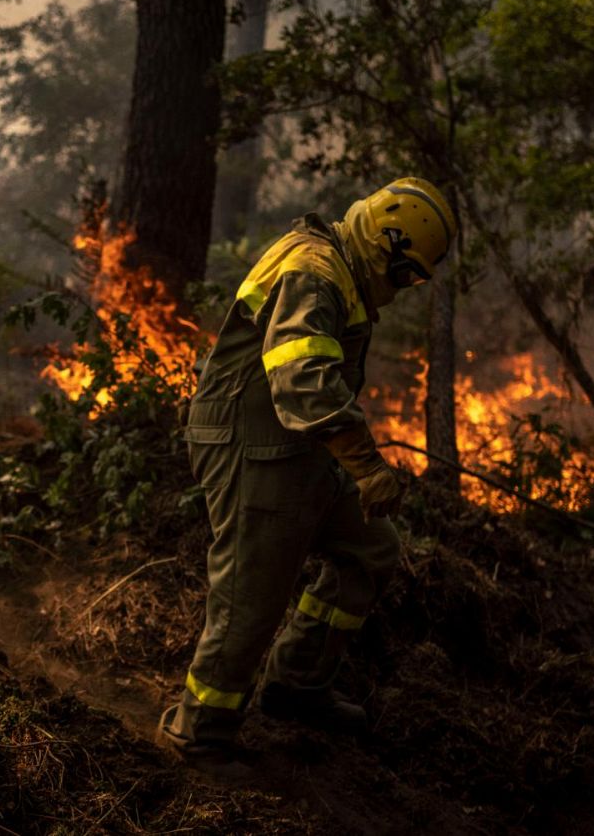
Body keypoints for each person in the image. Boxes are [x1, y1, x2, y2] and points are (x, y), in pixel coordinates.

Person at [158, 177, 456, 778]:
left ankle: (295, 683)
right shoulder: (315, 270)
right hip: (251, 443)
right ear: (383, 245)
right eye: (404, 275)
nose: (401, 291)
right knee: (251, 596)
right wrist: (368, 467)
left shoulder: (340, 270)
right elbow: (302, 378)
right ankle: (200, 734)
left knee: (370, 550)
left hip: (295, 445)